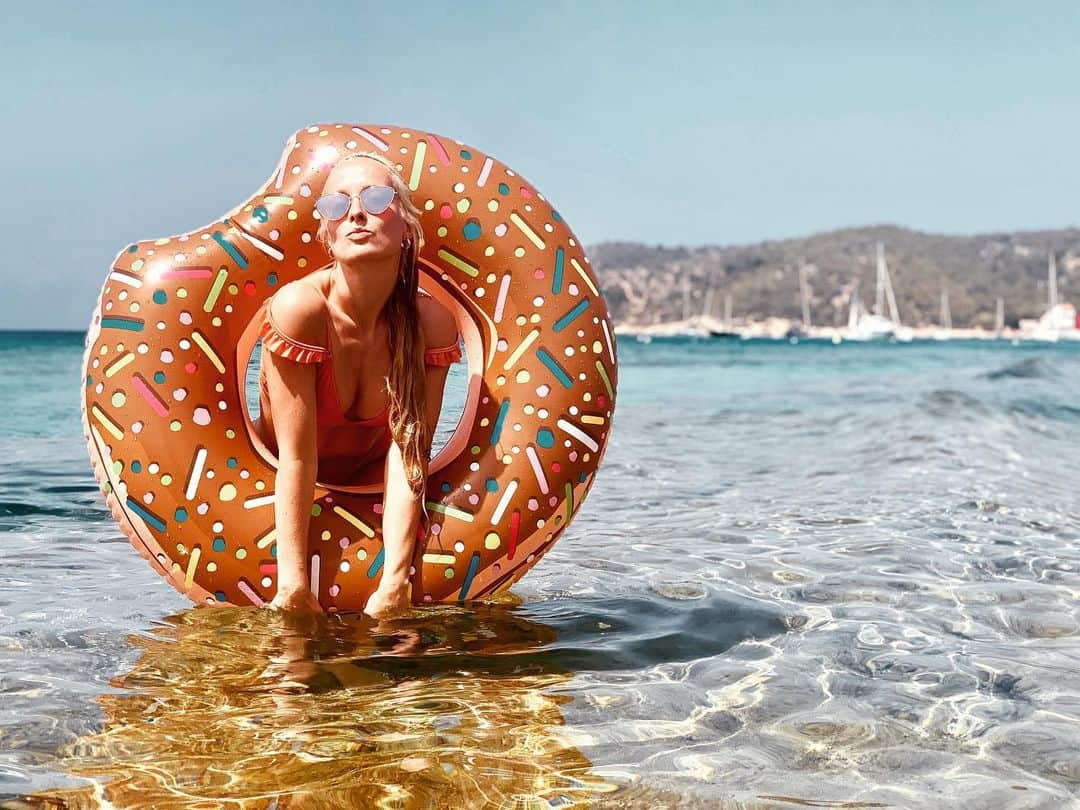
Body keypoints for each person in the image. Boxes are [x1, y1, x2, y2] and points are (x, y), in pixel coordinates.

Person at [254, 153, 460, 617]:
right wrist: (293, 585)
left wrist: (395, 580)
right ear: (326, 234)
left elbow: (408, 453)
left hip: (372, 489)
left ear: (407, 226)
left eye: (376, 198)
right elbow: (297, 456)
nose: (356, 213)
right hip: (274, 476)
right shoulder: (299, 310)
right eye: (337, 204)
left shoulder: (431, 324)